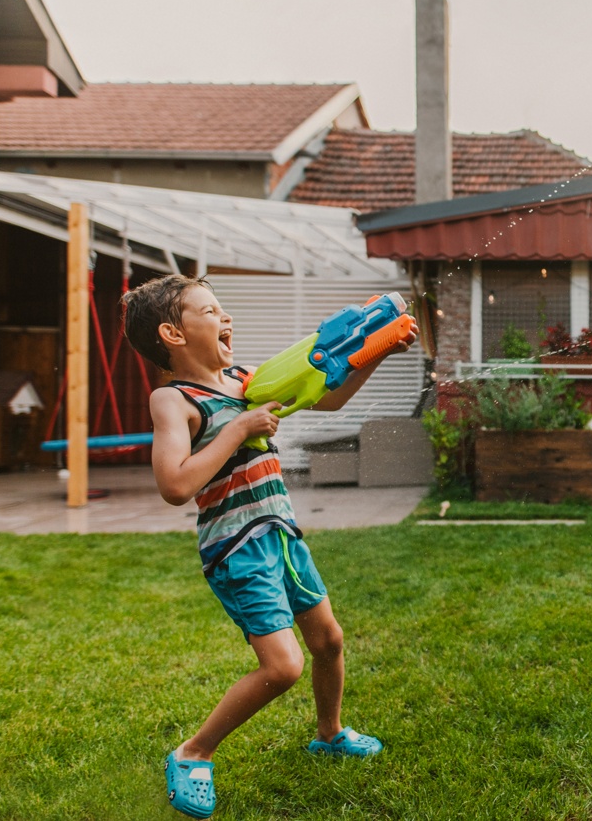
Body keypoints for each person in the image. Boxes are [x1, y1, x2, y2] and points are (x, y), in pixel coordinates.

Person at [122, 275, 418, 819]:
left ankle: (329, 734)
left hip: (280, 533)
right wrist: (237, 430)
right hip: (236, 548)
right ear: (173, 332)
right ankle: (193, 752)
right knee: (283, 668)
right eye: (211, 310)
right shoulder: (173, 400)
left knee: (328, 641)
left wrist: (377, 350)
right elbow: (175, 486)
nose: (225, 317)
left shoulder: (245, 378)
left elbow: (326, 401)